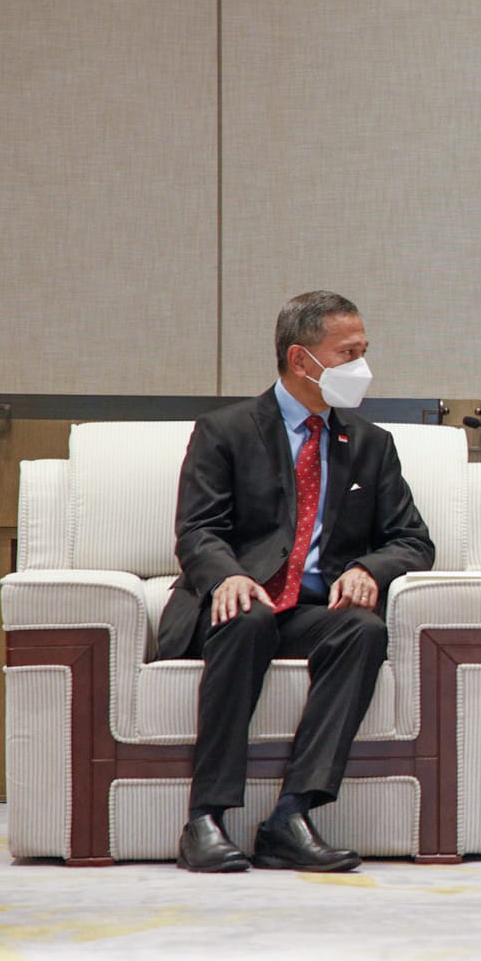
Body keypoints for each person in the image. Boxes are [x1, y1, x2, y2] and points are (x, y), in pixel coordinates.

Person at [159, 291, 434, 873]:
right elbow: (197, 531)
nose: (362, 367)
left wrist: (369, 568)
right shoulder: (225, 431)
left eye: (364, 351)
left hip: (309, 611)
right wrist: (228, 576)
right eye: (348, 353)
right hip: (239, 605)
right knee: (246, 614)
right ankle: (205, 819)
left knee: (361, 630)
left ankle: (293, 814)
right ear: (301, 359)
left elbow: (412, 539)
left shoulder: (370, 445)